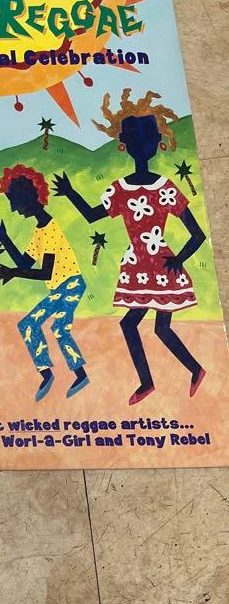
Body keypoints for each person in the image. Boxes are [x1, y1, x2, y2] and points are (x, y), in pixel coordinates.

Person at [54, 89, 206, 405]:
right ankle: (173, 375)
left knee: (149, 327)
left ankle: (174, 375)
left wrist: (178, 259)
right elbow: (92, 216)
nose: (140, 146)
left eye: (144, 139)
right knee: (147, 327)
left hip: (159, 269)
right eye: (135, 140)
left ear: (154, 143)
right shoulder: (122, 189)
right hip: (142, 267)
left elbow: (197, 234)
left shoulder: (163, 187)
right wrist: (70, 193)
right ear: (125, 144)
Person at [0, 165, 90, 402]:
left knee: (53, 328)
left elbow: (45, 273)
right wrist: (6, 240)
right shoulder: (40, 229)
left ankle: (72, 375)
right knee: (36, 325)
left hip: (70, 285)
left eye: (15, 202)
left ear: (28, 197)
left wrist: (14, 272)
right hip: (61, 288)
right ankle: (55, 374)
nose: (14, 209)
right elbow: (25, 261)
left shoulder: (50, 229)